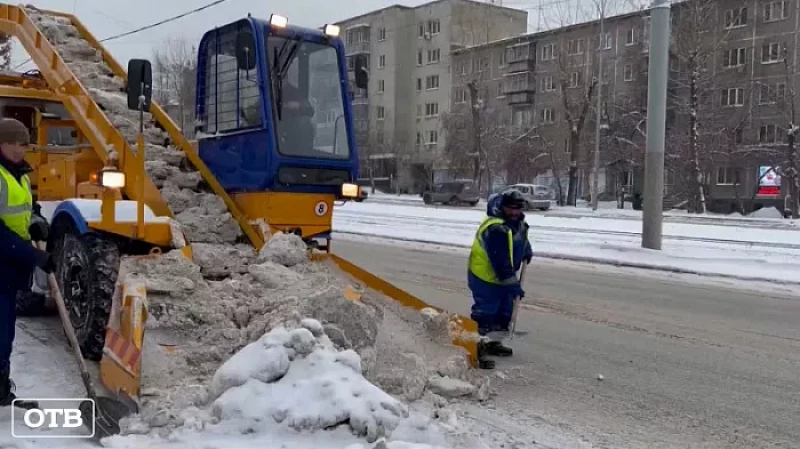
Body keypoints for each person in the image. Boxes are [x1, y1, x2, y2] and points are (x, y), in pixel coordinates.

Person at [0, 117, 54, 410]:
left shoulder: (19, 173)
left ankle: (0, 392)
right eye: (12, 143)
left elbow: (27, 208)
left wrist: (37, 222)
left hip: (9, 267)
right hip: (4, 260)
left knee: (4, 334)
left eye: (23, 144)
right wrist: (33, 256)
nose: (19, 149)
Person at [467, 189, 532, 369]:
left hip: (503, 277)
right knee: (486, 313)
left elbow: (520, 239)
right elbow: (500, 263)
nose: (514, 212)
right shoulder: (495, 228)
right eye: (510, 208)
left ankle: (492, 343)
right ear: (502, 207)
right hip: (485, 278)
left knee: (505, 312)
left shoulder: (518, 223)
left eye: (517, 208)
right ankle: (475, 348)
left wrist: (526, 249)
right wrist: (513, 285)